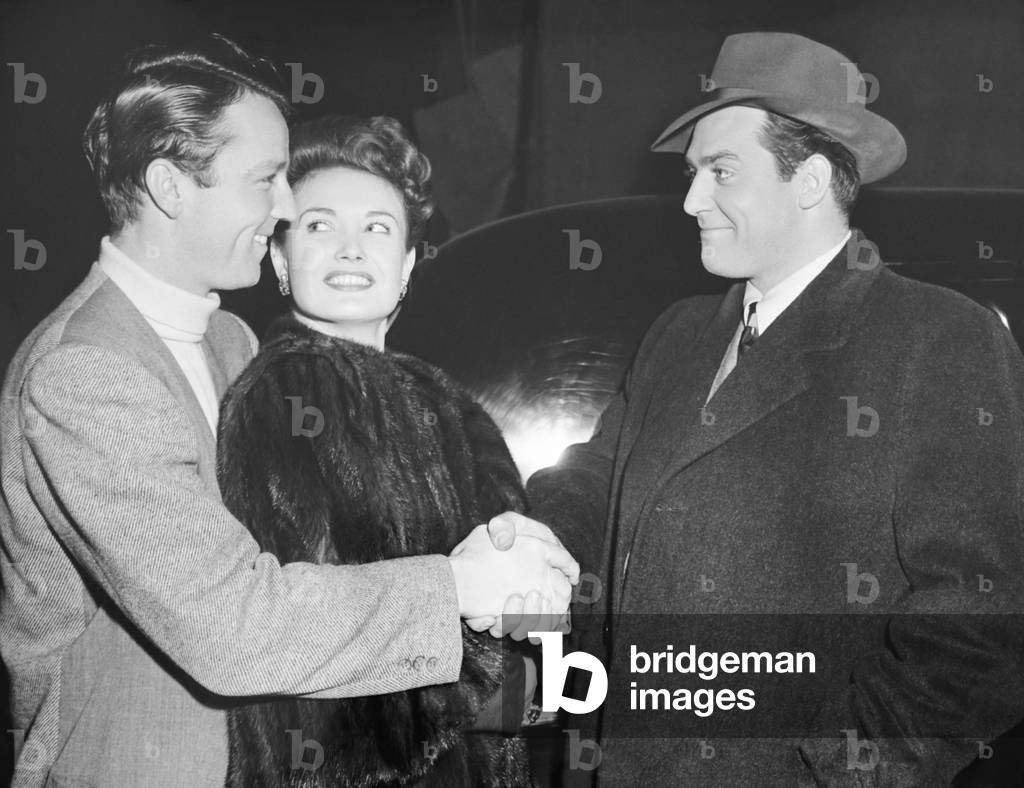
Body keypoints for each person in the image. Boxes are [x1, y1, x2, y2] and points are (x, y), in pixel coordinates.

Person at [0, 35, 576, 787]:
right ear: (171, 187)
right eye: (267, 180)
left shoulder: (228, 338)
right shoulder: (84, 371)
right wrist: (460, 589)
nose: (283, 206)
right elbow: (229, 623)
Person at [514, 32, 1024, 785]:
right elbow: (597, 479)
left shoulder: (939, 338)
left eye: (721, 171)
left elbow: (982, 628)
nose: (690, 201)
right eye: (692, 173)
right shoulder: (678, 332)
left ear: (810, 180)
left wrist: (836, 775)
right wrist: (535, 544)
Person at [217, 114, 536, 787]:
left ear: (409, 264)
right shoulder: (284, 392)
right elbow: (308, 647)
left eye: (378, 229)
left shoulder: (444, 397)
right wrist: (501, 690)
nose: (351, 250)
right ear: (280, 258)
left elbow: (521, 593)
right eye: (319, 226)